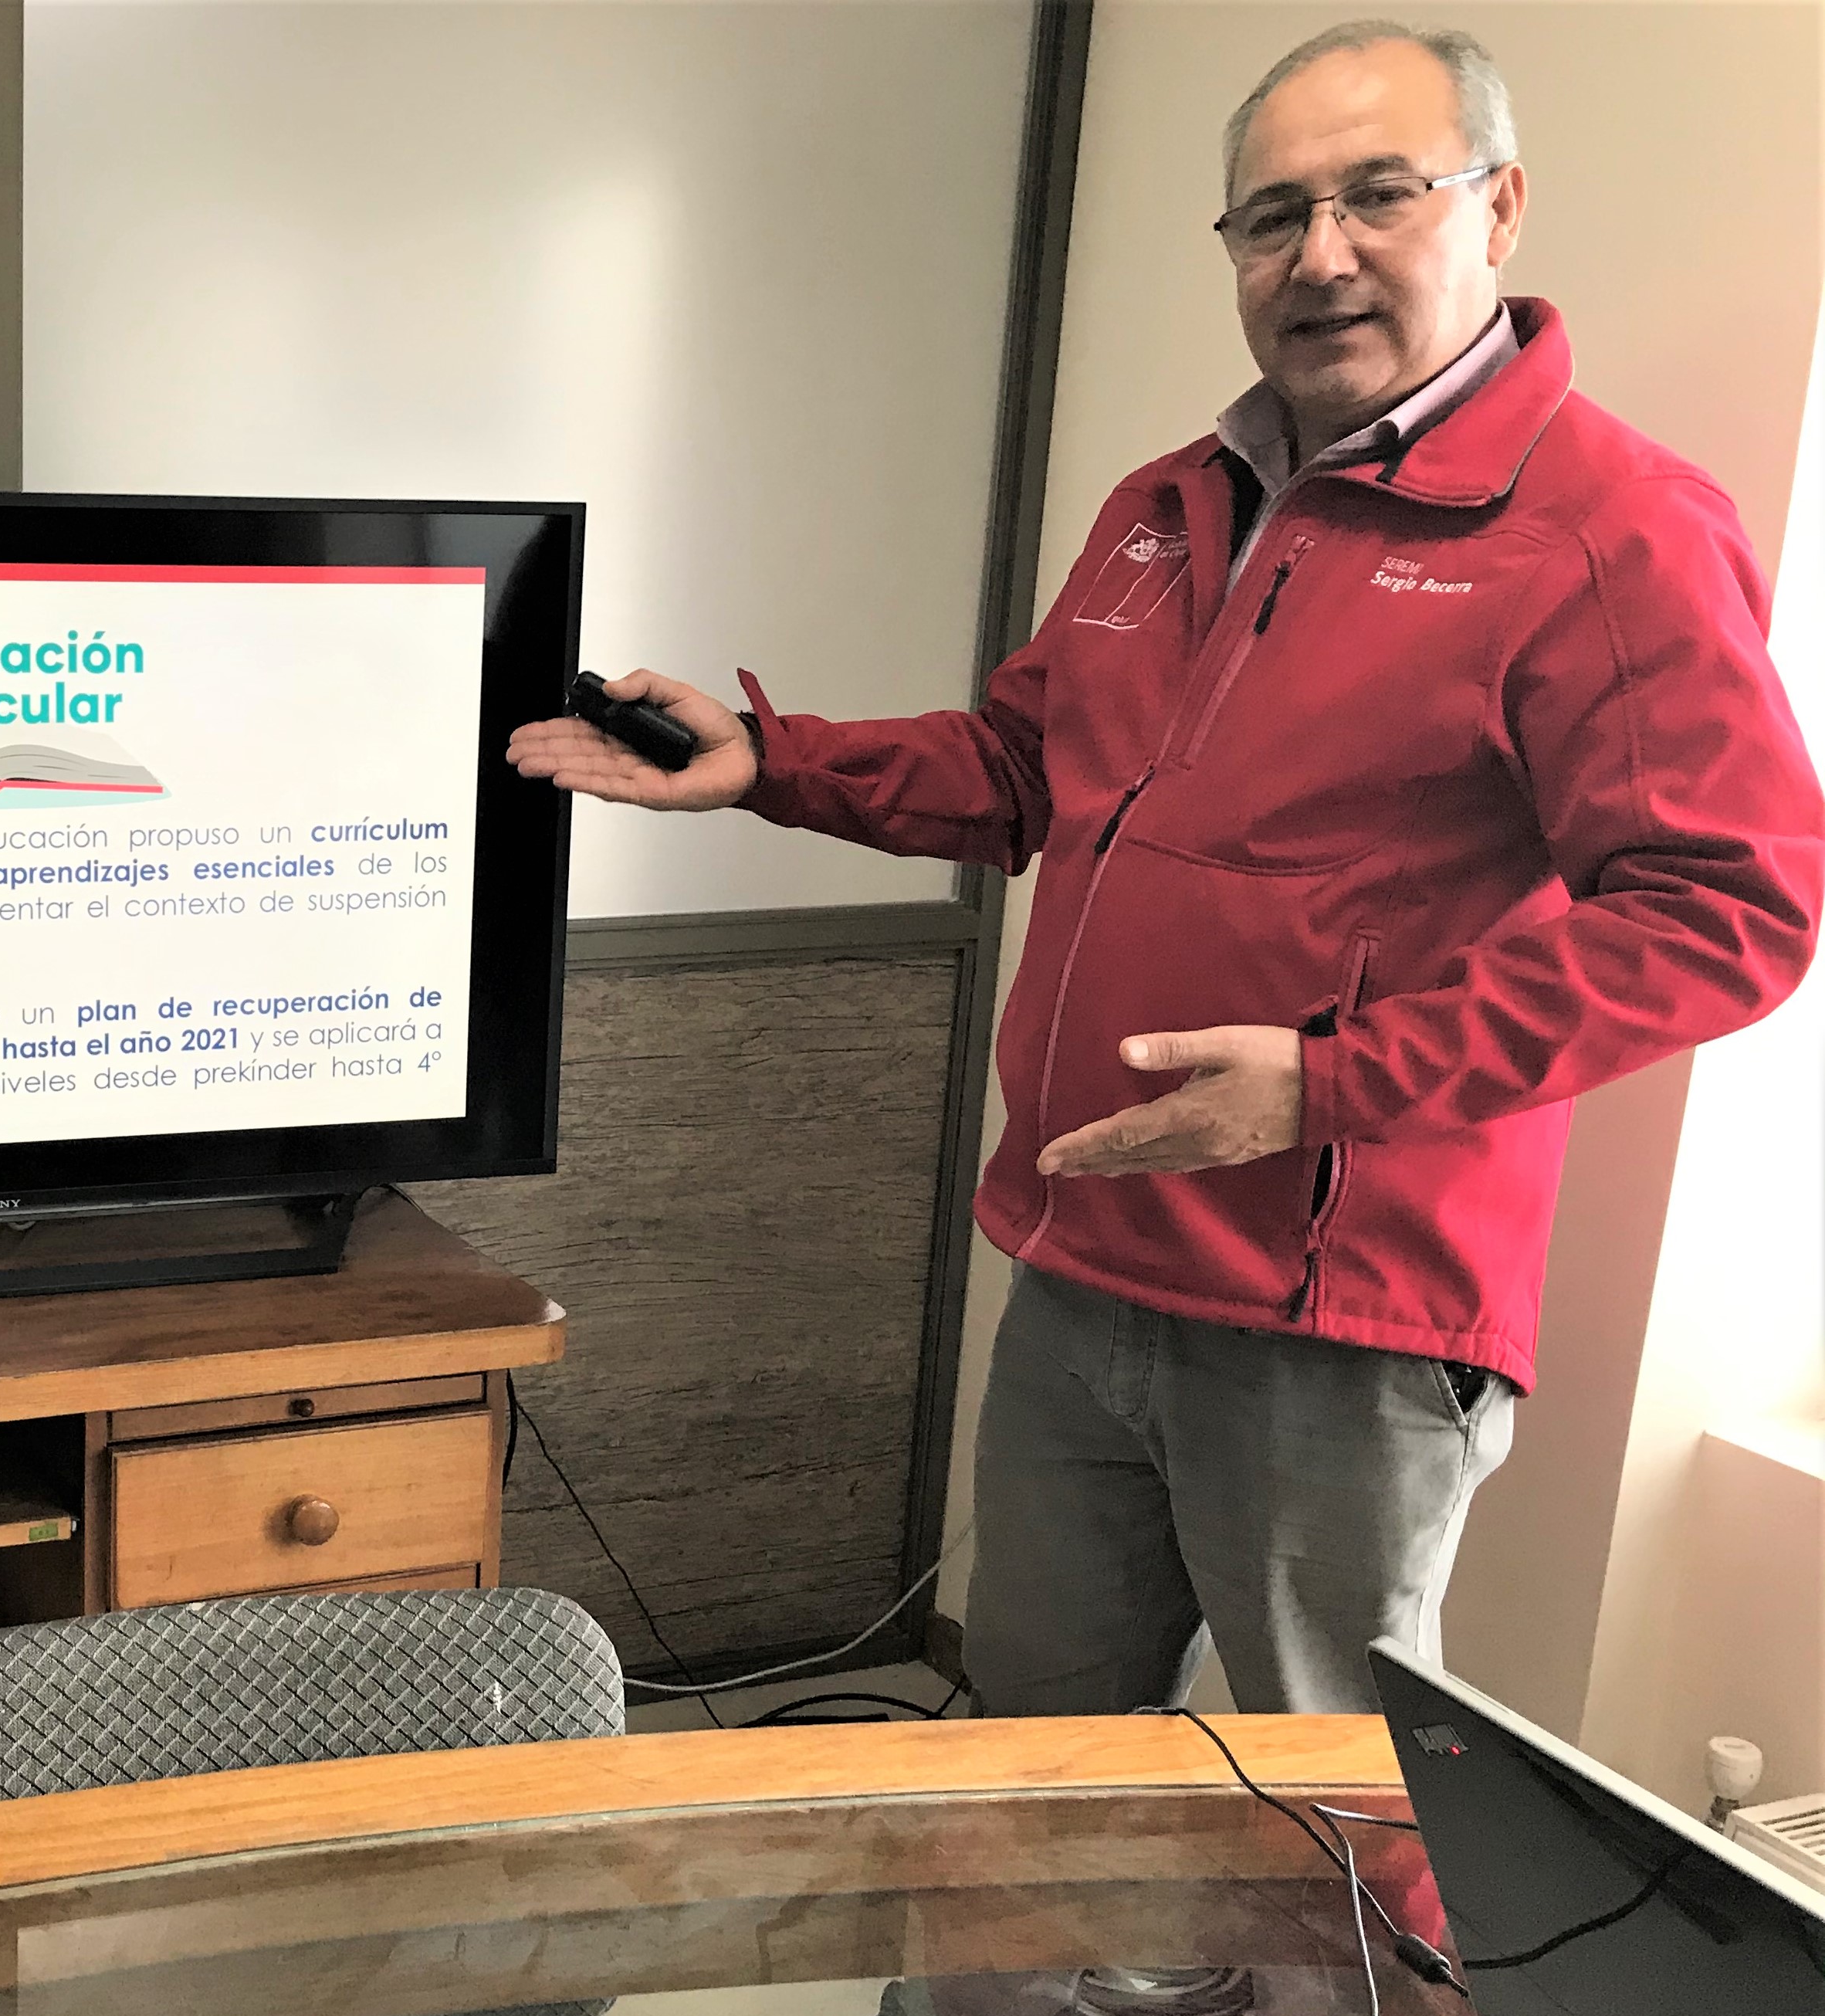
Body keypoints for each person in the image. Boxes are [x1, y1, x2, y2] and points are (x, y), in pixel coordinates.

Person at [509, 20, 1823, 1728]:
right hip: (1085, 1256)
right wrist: (776, 759)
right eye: (1270, 217)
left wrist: (1328, 1084)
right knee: (1028, 1757)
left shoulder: (1605, 527)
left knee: (1318, 1797)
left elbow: (1729, 909)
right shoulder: (1172, 500)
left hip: (1336, 1323)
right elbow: (1023, 768)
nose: (1318, 256)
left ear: (1497, 208)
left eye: (1378, 195)